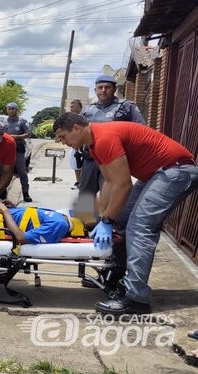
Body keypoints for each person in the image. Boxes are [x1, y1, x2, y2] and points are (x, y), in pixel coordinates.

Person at [53, 113, 198, 315]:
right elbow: (110, 183)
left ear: (76, 128)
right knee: (121, 218)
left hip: (176, 171)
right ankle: (116, 275)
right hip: (156, 174)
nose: (63, 142)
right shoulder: (93, 146)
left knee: (140, 227)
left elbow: (123, 185)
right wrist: (99, 219)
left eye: (63, 137)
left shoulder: (104, 138)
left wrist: (107, 220)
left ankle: (135, 298)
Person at [79, 75, 145, 195]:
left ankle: (107, 214)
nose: (103, 90)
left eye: (107, 87)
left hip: (114, 159)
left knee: (110, 194)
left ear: (114, 89)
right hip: (91, 158)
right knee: (85, 195)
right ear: (95, 90)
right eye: (100, 87)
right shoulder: (87, 110)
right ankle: (84, 215)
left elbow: (141, 130)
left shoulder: (126, 106)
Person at [2, 102, 32, 202]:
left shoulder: (22, 121)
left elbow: (28, 133)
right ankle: (3, 193)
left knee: (22, 172)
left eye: (13, 109)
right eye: (9, 109)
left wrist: (16, 137)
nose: (11, 110)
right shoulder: (3, 122)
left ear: (17, 110)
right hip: (6, 151)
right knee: (5, 173)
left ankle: (26, 194)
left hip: (18, 150)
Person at [68, 100, 84, 188]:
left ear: (79, 106)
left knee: (84, 165)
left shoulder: (85, 115)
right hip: (74, 144)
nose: (71, 108)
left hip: (84, 144)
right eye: (70, 106)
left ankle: (82, 181)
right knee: (75, 162)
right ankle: (78, 181)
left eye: (73, 106)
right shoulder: (71, 117)